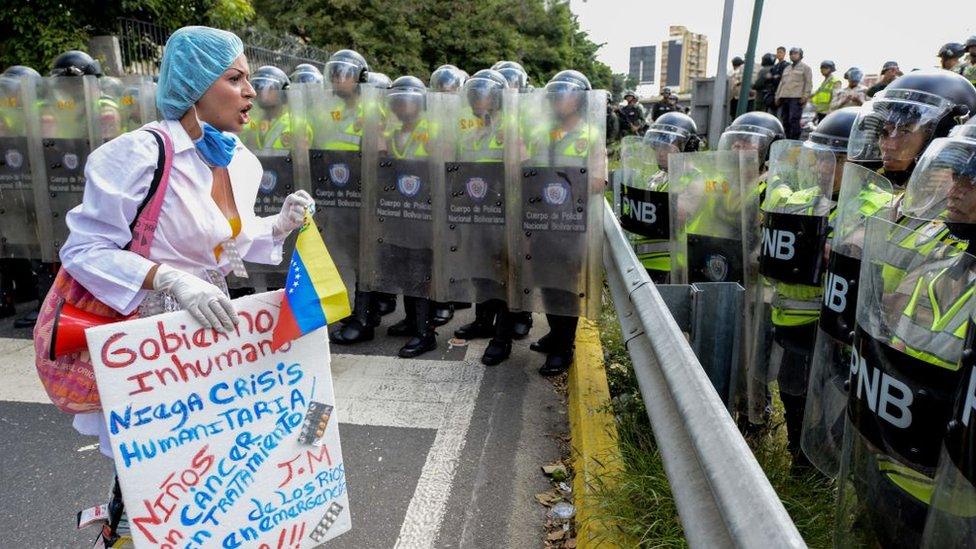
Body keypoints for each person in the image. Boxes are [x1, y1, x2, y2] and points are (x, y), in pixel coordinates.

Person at [50, 26, 312, 546]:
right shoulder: (137, 155)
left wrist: (276, 225)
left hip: (207, 332)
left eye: (249, 79)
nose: (251, 92)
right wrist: (166, 278)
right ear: (194, 85)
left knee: (208, 467)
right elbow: (83, 250)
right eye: (235, 78)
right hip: (144, 338)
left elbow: (224, 243)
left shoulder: (238, 159)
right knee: (152, 470)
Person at [836, 123, 976, 548]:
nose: (955, 189)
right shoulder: (937, 269)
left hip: (953, 504)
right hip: (891, 462)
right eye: (957, 175)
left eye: (972, 180)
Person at [759, 108, 856, 469]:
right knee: (793, 390)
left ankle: (818, 467)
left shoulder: (872, 205)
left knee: (829, 399)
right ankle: (800, 456)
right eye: (818, 159)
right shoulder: (812, 195)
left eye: (835, 161)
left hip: (832, 328)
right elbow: (776, 201)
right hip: (791, 317)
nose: (820, 168)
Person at [523, 70, 602, 376]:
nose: (559, 99)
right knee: (546, 280)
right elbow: (530, 169)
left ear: (580, 100)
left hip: (572, 222)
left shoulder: (591, 135)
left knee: (566, 284)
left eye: (566, 93)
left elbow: (597, 181)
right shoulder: (543, 133)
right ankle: (556, 332)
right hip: (542, 219)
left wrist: (564, 181)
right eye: (556, 93)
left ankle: (563, 347)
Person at [628, 111, 700, 282]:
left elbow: (675, 218)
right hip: (643, 263)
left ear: (688, 147)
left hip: (672, 267)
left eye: (667, 147)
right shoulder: (657, 177)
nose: (660, 152)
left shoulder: (696, 180)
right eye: (657, 146)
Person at [775, 47, 812, 140]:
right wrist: (777, 96)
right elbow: (781, 83)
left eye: (796, 53)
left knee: (794, 120)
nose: (793, 55)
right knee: (785, 120)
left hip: (796, 98)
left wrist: (805, 96)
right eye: (791, 53)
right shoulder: (787, 68)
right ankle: (787, 139)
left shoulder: (806, 68)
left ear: (800, 55)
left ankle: (794, 140)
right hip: (784, 97)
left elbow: (808, 83)